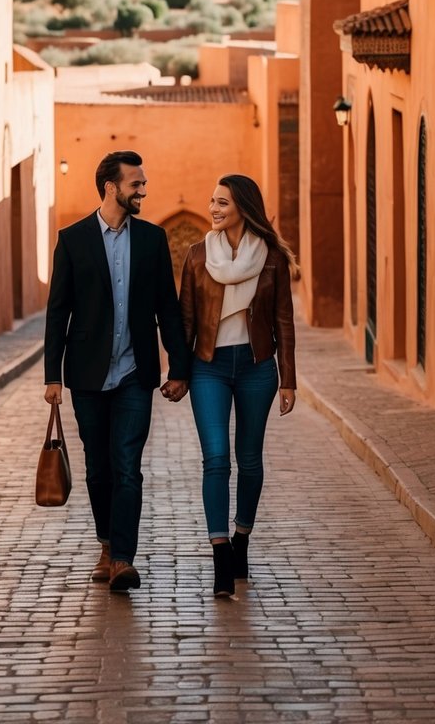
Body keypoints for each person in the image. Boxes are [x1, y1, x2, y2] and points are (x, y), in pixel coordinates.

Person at [44, 150, 191, 592]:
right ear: (111, 187)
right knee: (97, 468)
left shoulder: (152, 239)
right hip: (87, 374)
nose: (143, 190)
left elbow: (168, 305)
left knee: (127, 465)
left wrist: (179, 366)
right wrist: (53, 375)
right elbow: (58, 311)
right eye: (136, 184)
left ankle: (123, 558)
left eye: (143, 183)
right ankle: (106, 544)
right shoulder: (72, 240)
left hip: (133, 373)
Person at [179, 173, 296, 597]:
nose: (213, 209)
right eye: (212, 201)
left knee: (249, 460)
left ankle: (243, 537)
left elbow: (284, 320)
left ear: (243, 208)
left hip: (256, 366)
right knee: (215, 459)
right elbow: (186, 321)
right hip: (208, 366)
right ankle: (221, 556)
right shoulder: (196, 257)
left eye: (223, 203)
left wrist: (289, 380)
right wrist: (178, 372)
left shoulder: (271, 258)